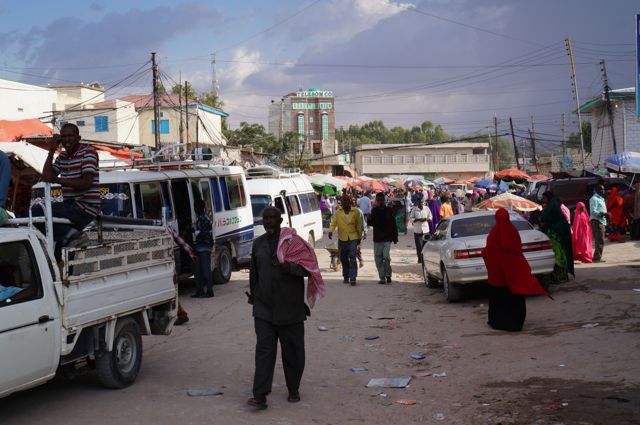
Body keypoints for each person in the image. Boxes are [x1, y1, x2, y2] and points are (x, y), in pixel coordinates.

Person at [247, 207, 312, 410]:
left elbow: (308, 268)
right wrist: (254, 296)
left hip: (290, 308)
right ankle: (260, 395)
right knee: (264, 352)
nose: (269, 222)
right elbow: (254, 274)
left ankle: (293, 389)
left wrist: (290, 268)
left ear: (280, 219)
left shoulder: (294, 243)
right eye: (265, 218)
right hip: (264, 309)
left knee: (293, 353)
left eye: (272, 218)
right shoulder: (258, 245)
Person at [33, 123, 100, 260]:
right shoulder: (62, 157)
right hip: (70, 207)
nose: (67, 140)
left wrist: (57, 180)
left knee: (37, 210)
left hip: (85, 208)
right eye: (63, 137)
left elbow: (85, 183)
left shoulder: (88, 153)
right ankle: (64, 278)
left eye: (70, 136)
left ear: (78, 137)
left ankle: (75, 236)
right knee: (61, 252)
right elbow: (46, 175)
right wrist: (51, 150)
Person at [481, 208, 549, 332]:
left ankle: (498, 322)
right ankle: (515, 323)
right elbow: (518, 250)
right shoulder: (513, 231)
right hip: (512, 272)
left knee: (499, 299)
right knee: (514, 297)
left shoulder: (493, 235)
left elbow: (488, 252)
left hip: (498, 276)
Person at [539, 191, 574, 283]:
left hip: (558, 233)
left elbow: (543, 217)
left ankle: (560, 277)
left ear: (548, 197)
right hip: (560, 232)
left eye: (544, 198)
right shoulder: (554, 203)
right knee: (561, 254)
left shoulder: (552, 205)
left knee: (558, 255)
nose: (542, 200)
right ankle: (562, 276)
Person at [328, 195, 363, 285]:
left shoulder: (355, 211)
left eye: (348, 201)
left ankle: (353, 277)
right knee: (343, 258)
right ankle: (346, 276)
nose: (346, 203)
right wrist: (330, 231)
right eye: (344, 201)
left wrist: (359, 237)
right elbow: (333, 223)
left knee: (352, 256)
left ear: (350, 202)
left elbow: (359, 225)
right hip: (342, 238)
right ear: (342, 203)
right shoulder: (338, 212)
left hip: (353, 237)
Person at [368, 192, 398, 284]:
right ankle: (382, 277)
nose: (381, 201)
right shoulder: (374, 211)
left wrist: (395, 236)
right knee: (378, 259)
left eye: (382, 200)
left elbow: (393, 224)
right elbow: (371, 223)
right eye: (379, 200)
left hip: (387, 237)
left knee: (386, 257)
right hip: (377, 238)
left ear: (385, 200)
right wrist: (369, 218)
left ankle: (388, 274)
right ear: (377, 201)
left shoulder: (389, 210)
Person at [191, 199, 214, 298]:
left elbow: (202, 233)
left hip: (204, 247)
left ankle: (209, 291)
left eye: (196, 207)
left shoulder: (203, 218)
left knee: (205, 270)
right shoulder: (201, 218)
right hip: (201, 247)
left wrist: (194, 232)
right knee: (198, 271)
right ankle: (200, 291)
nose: (195, 209)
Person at [589, 183, 609, 263]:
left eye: (603, 189)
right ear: (596, 190)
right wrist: (604, 214)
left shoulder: (601, 199)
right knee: (599, 240)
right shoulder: (594, 199)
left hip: (601, 221)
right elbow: (593, 211)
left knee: (600, 240)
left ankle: (597, 257)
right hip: (597, 221)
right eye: (601, 189)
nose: (603, 190)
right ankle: (597, 258)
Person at [409, 198, 432, 263]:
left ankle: (426, 260)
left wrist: (426, 219)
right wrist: (418, 219)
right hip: (417, 230)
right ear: (417, 203)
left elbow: (430, 217)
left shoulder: (427, 208)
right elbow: (411, 219)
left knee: (426, 246)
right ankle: (420, 259)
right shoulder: (414, 209)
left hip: (426, 230)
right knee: (419, 246)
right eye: (419, 203)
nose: (421, 204)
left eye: (422, 203)